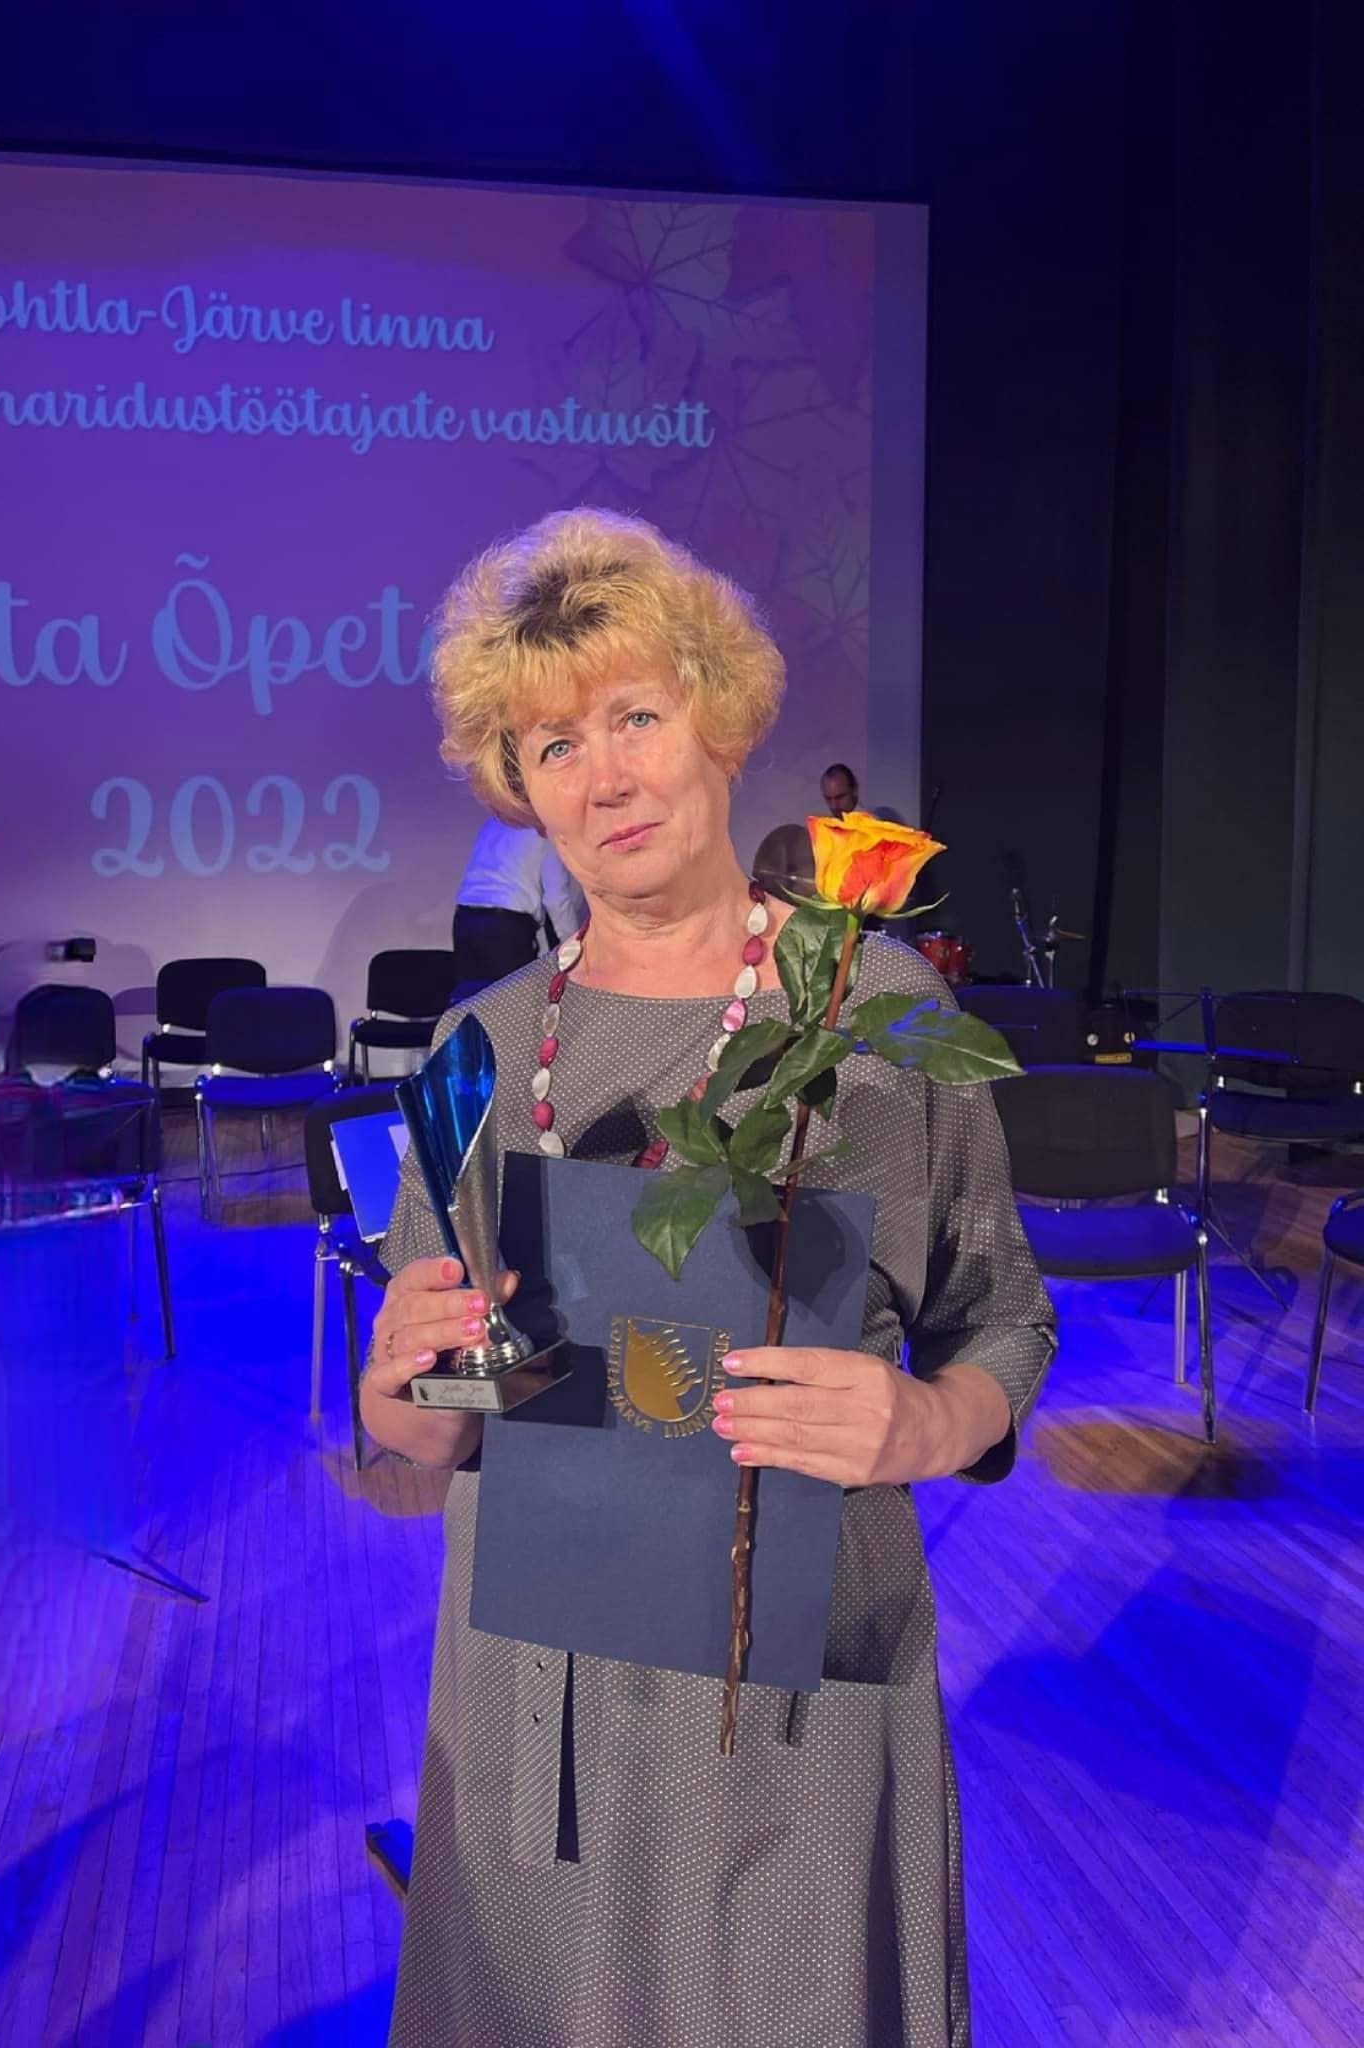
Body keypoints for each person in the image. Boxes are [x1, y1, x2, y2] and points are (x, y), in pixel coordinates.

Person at [362, 509, 1056, 2048]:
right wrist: (401, 1383)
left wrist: (924, 1424)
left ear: (720, 720)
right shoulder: (479, 1049)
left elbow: (1006, 1316)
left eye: (634, 717)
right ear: (518, 787)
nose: (603, 777)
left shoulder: (874, 1010)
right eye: (553, 746)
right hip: (543, 1702)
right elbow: (438, 1419)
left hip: (798, 1693)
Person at [453, 816, 587, 988]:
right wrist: (573, 945)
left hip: (465, 919)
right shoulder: (544, 829)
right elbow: (556, 898)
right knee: (518, 1000)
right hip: (505, 927)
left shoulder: (495, 820)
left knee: (472, 998)